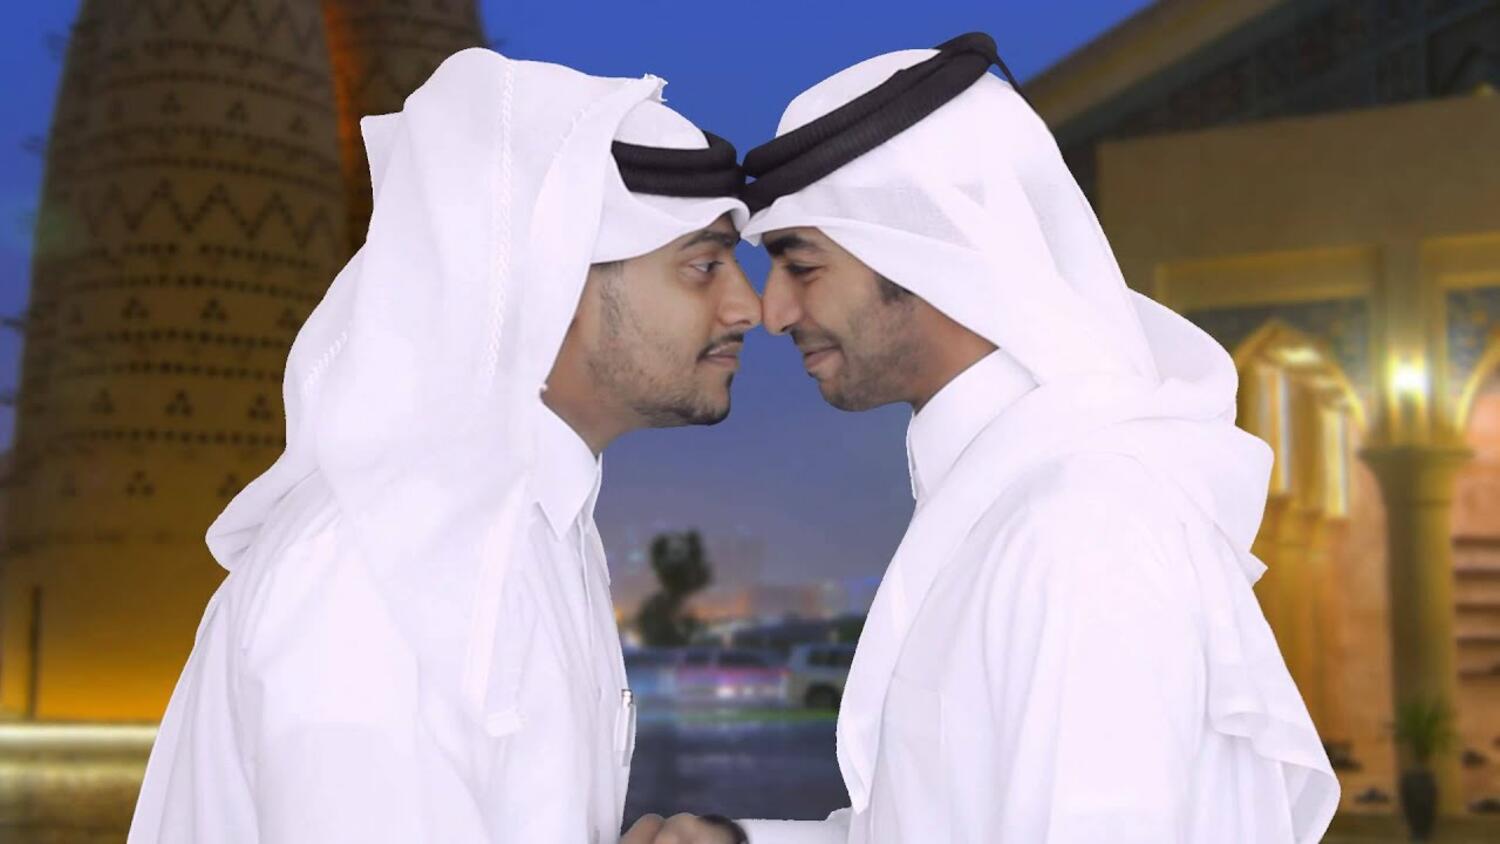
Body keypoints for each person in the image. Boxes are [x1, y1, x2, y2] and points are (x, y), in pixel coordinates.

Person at [127, 47, 758, 843]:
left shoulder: (532, 528)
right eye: (702, 266)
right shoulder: (375, 563)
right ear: (555, 282)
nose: (747, 307)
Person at [726, 33, 1340, 844]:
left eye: (802, 266)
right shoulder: (1019, 496)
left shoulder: (1085, 526)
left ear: (928, 255)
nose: (772, 313)